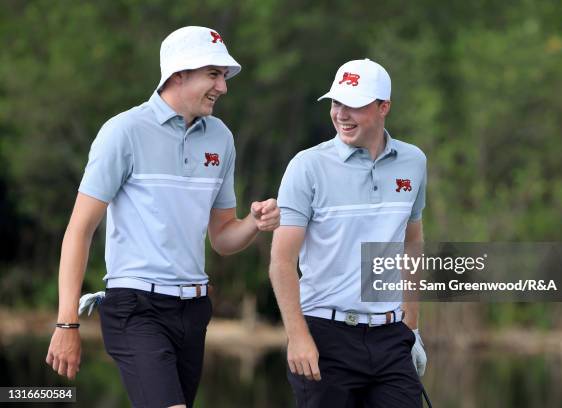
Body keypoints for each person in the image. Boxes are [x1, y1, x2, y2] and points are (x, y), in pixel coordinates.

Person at [45, 26, 280, 408]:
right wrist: (66, 322)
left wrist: (254, 222)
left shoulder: (221, 138)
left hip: (194, 311)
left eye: (223, 76)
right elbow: (79, 230)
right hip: (135, 307)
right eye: (214, 74)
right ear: (178, 74)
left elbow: (222, 238)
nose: (223, 87)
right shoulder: (123, 131)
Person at [269, 58, 427, 407]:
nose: (341, 113)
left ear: (384, 107)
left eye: (354, 105)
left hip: (390, 338)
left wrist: (411, 328)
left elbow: (412, 245)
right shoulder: (306, 167)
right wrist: (297, 337)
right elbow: (282, 260)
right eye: (337, 103)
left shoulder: (413, 162)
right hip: (325, 336)